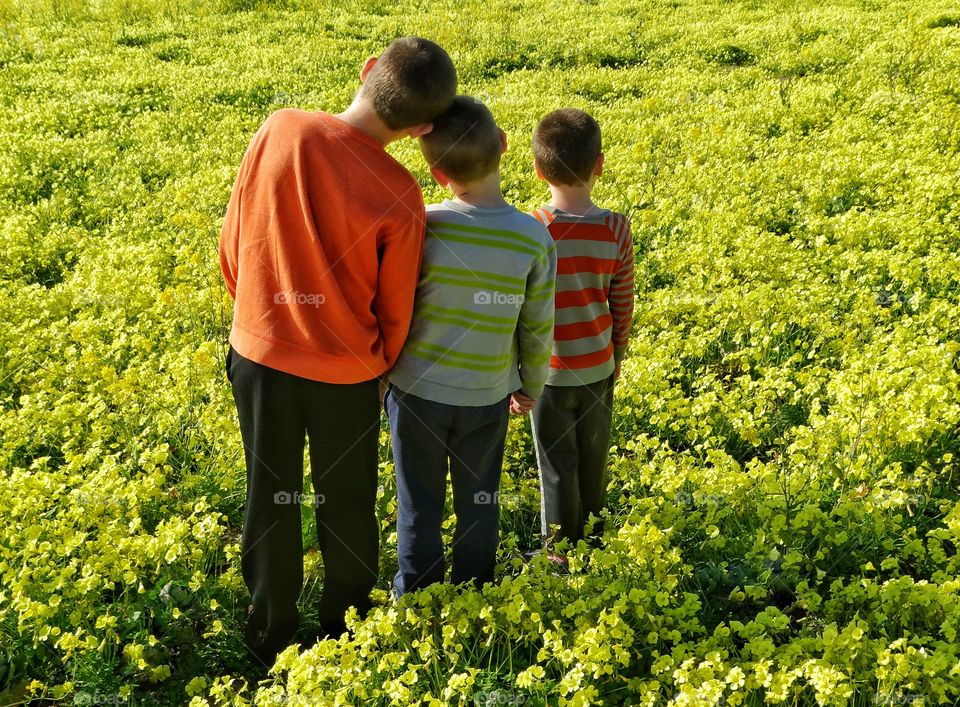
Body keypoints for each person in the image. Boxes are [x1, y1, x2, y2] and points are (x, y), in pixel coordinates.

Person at [218, 37, 456, 665]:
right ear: (421, 129)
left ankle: (269, 635)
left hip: (261, 353)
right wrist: (379, 365)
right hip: (348, 373)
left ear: (368, 70)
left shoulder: (280, 128)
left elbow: (234, 239)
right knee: (346, 498)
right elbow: (396, 306)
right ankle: (344, 631)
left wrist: (258, 311)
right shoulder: (403, 194)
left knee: (270, 495)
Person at [385, 96, 557, 597]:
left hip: (416, 392)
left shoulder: (425, 223)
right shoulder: (532, 237)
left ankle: (414, 596)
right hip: (486, 395)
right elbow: (536, 324)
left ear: (438, 174)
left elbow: (396, 301)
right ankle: (475, 592)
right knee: (480, 498)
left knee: (419, 499)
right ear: (503, 146)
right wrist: (531, 384)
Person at [529, 108, 636, 558]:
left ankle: (558, 552)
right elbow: (622, 302)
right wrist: (618, 351)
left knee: (556, 466)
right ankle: (595, 541)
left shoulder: (533, 226)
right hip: (598, 367)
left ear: (538, 171)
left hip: (549, 374)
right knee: (594, 460)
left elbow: (523, 307)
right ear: (600, 164)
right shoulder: (616, 227)